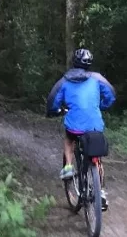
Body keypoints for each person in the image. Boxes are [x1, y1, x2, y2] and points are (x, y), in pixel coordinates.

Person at [46, 48, 116, 211]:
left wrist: (55, 111)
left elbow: (52, 100)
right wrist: (102, 105)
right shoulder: (97, 78)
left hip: (74, 127)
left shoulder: (64, 81)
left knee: (69, 140)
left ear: (73, 62)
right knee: (96, 157)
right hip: (94, 126)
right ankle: (102, 193)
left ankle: (68, 167)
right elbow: (111, 95)